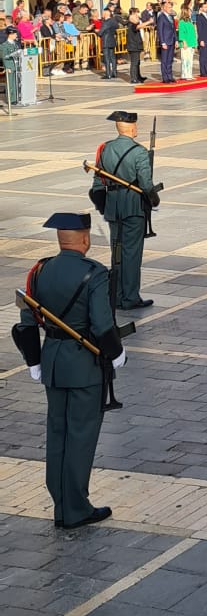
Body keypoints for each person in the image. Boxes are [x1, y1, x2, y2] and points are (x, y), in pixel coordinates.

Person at [13, 210, 124, 528]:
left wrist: (33, 360)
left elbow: (25, 323)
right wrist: (117, 353)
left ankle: (61, 504)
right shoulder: (95, 273)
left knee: (58, 433)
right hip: (84, 365)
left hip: (53, 362)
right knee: (81, 435)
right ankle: (75, 508)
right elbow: (102, 325)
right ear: (86, 239)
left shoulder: (39, 271)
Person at [95, 108, 157, 313]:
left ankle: (117, 295)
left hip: (113, 207)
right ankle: (130, 297)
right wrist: (153, 199)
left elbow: (98, 182)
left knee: (118, 252)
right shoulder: (139, 152)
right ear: (131, 128)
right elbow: (146, 184)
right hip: (132, 207)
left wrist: (103, 205)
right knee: (131, 254)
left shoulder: (105, 149)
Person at [155, 0, 176, 84]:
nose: (170, 9)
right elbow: (160, 30)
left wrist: (176, 40)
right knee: (164, 60)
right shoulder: (161, 17)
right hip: (166, 41)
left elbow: (173, 29)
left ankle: (170, 76)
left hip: (172, 40)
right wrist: (162, 42)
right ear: (164, 8)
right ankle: (165, 77)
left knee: (170, 60)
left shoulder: (171, 17)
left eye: (170, 7)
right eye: (168, 7)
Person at [125, 8, 146, 86]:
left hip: (136, 45)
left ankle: (138, 76)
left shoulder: (134, 24)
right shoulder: (131, 25)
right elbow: (138, 27)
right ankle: (133, 78)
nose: (138, 17)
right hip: (133, 46)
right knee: (134, 62)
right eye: (136, 17)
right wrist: (149, 22)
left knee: (137, 62)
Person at [99, 5, 120, 81]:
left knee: (107, 58)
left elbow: (100, 32)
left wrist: (98, 32)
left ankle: (108, 74)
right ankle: (114, 72)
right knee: (113, 57)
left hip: (106, 41)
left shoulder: (106, 22)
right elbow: (117, 27)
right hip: (112, 40)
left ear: (105, 14)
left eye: (103, 13)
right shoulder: (113, 21)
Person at [177, 3, 196, 82]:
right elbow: (181, 33)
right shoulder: (182, 22)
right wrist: (184, 42)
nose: (191, 12)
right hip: (186, 43)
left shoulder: (189, 21)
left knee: (190, 60)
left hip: (191, 42)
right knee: (185, 60)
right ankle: (185, 75)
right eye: (189, 11)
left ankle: (189, 74)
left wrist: (195, 44)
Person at [196, 0, 207, 78]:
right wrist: (201, 40)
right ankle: (202, 71)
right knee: (202, 56)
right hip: (203, 38)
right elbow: (200, 29)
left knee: (206, 55)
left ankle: (206, 70)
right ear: (201, 8)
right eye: (204, 7)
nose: (206, 8)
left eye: (206, 7)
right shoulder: (199, 17)